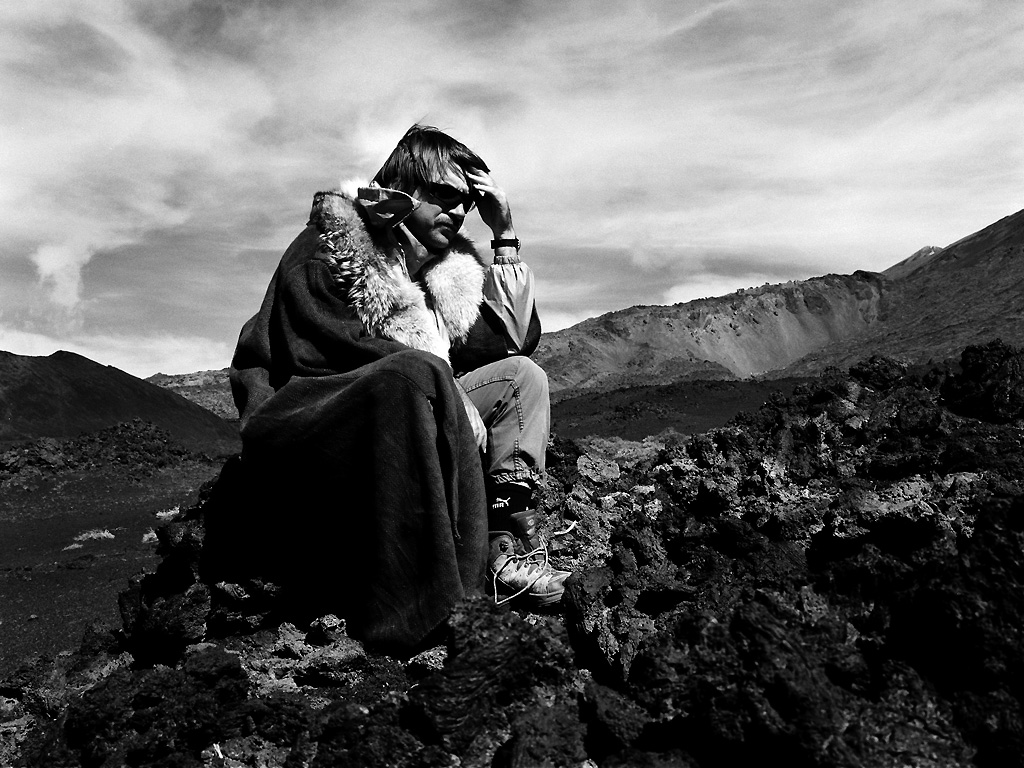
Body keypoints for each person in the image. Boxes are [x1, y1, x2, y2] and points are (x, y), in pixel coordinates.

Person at [209, 124, 571, 653]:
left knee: (522, 379)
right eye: (445, 197)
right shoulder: (330, 249)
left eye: (467, 204)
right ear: (404, 190)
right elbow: (316, 351)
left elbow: (515, 341)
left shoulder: (439, 272)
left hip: (410, 401)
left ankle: (499, 547)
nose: (458, 212)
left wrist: (506, 232)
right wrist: (439, 381)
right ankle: (425, 601)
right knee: (414, 375)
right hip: (309, 418)